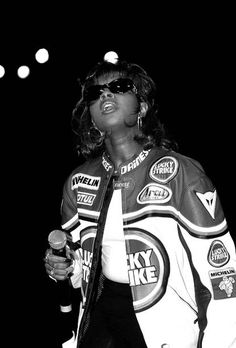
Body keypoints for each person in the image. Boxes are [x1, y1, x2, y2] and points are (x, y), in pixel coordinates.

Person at [44, 53, 236, 348]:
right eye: (94, 93)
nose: (105, 93)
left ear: (142, 106)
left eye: (120, 86)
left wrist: (220, 341)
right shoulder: (78, 180)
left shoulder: (180, 172)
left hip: (164, 327)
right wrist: (65, 266)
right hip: (100, 321)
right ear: (92, 117)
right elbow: (79, 268)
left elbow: (222, 270)